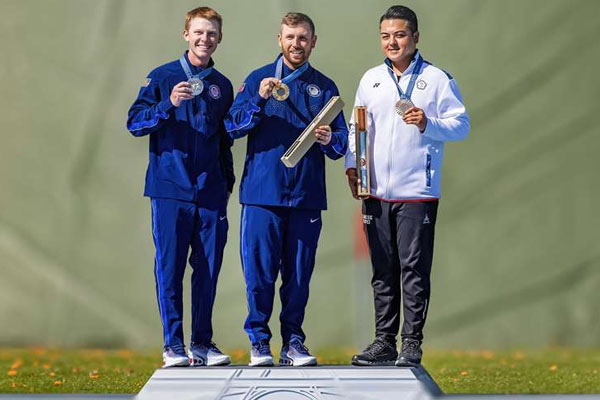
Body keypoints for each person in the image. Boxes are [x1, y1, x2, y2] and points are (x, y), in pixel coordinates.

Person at [345, 5, 470, 367]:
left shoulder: (437, 79)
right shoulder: (371, 79)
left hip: (417, 191)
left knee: (413, 268)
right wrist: (353, 167)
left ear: (415, 37)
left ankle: (411, 343)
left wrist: (427, 122)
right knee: (382, 268)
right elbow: (358, 127)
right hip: (376, 191)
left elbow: (461, 125)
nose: (392, 42)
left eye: (399, 35)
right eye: (385, 36)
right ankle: (383, 341)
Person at [226, 12, 348, 367]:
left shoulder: (325, 87)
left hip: (306, 196)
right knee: (260, 273)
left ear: (313, 41)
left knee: (298, 276)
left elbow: (340, 144)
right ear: (279, 40)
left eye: (303, 38)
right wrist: (258, 100)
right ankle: (259, 342)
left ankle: (294, 342)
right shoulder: (258, 79)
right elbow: (233, 128)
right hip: (262, 194)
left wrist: (329, 139)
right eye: (291, 37)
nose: (297, 44)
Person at [126, 7, 234, 368]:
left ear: (220, 38)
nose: (205, 39)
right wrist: (168, 104)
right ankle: (173, 345)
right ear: (186, 34)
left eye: (212, 34)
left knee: (208, 269)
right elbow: (135, 123)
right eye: (199, 32)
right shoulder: (162, 76)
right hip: (170, 189)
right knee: (170, 267)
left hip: (210, 192)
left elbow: (224, 141)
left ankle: (202, 343)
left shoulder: (222, 86)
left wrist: (226, 185)